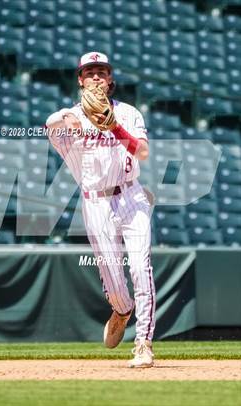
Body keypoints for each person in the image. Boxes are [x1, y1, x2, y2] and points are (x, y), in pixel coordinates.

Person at [46, 52, 156, 368]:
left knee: (139, 266)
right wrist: (72, 122)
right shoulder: (69, 116)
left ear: (110, 80)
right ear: (80, 80)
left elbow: (144, 153)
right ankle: (122, 310)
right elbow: (54, 126)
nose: (96, 77)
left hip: (131, 197)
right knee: (116, 284)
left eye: (101, 72)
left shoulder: (130, 113)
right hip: (95, 202)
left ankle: (143, 344)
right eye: (89, 72)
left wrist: (115, 127)